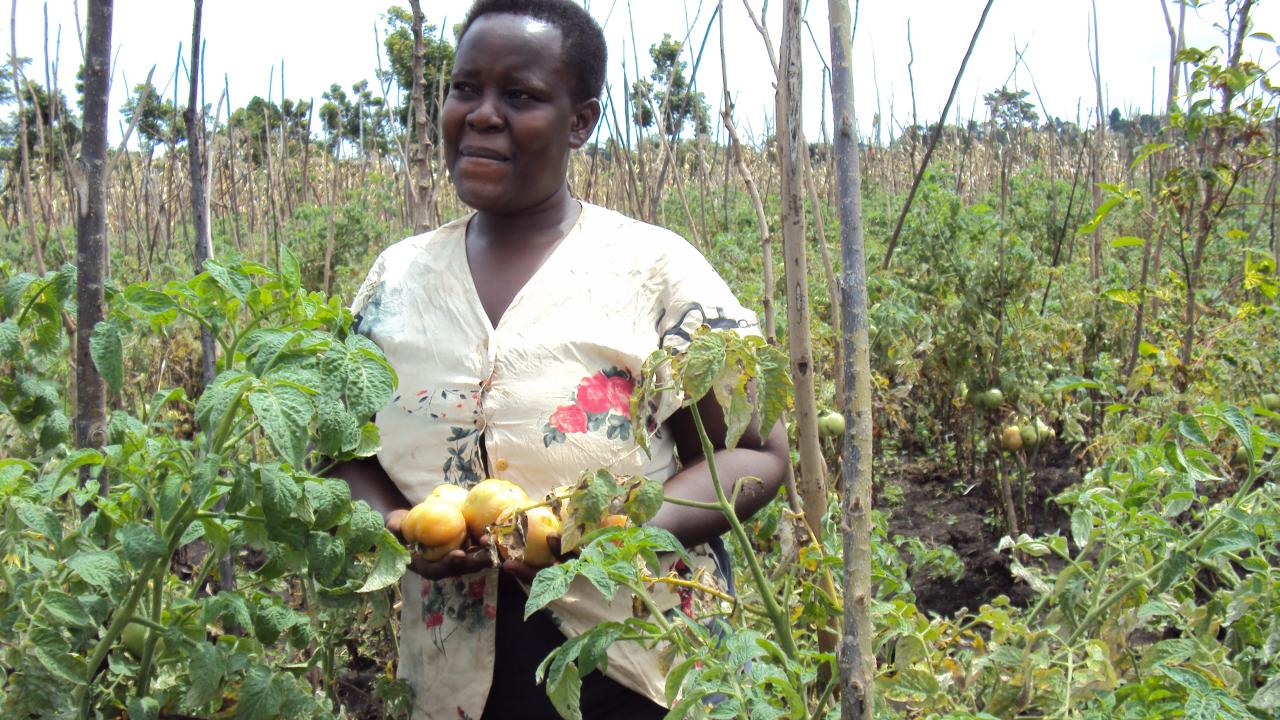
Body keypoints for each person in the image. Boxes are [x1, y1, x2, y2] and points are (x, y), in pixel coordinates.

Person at [331, 1, 789, 718]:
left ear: (580, 121)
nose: (482, 115)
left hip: (643, 663)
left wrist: (602, 531)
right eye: (465, 89)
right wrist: (395, 526)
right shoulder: (395, 281)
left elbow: (756, 456)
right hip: (450, 679)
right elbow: (338, 448)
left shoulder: (655, 271)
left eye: (520, 96)